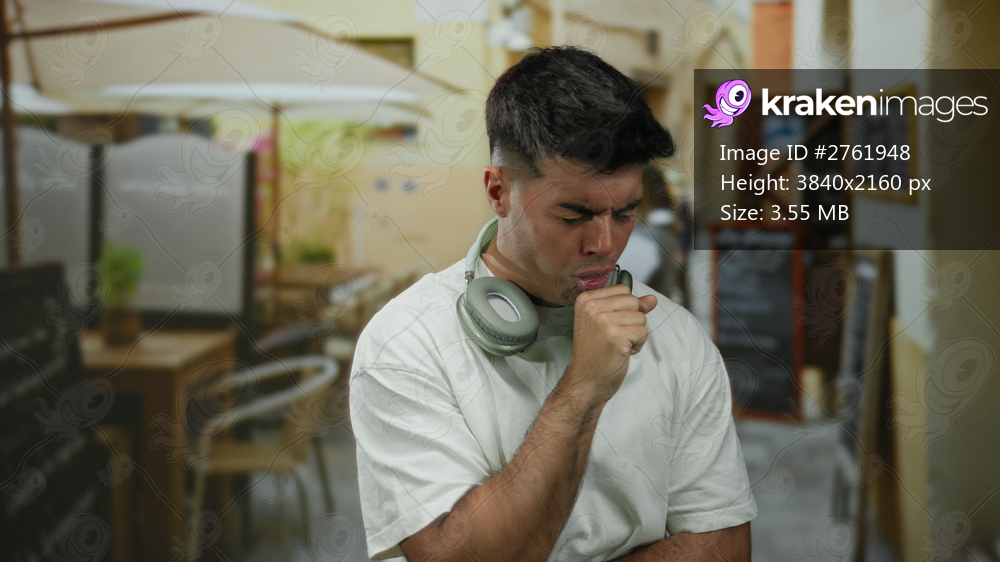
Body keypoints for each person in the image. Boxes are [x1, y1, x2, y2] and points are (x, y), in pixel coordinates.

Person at [349, 45, 757, 561]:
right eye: (573, 215)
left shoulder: (676, 336)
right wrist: (584, 388)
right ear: (498, 192)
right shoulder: (408, 342)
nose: (605, 244)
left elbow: (724, 547)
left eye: (625, 213)